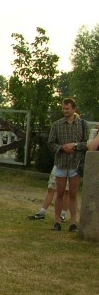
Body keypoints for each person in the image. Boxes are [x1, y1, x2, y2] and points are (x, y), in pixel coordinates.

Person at [48, 98, 88, 232]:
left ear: (74, 109)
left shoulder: (82, 124)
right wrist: (62, 148)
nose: (65, 111)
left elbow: (87, 144)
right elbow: (51, 143)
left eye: (67, 108)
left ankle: (73, 223)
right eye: (63, 108)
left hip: (75, 163)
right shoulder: (57, 125)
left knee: (73, 194)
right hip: (61, 163)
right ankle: (57, 221)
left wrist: (74, 146)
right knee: (59, 193)